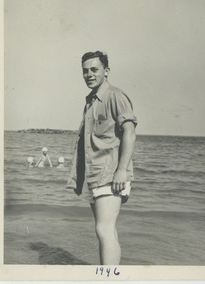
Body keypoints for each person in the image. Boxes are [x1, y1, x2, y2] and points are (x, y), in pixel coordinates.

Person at [67, 51, 137, 265]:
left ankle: (107, 277)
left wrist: (122, 170)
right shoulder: (90, 101)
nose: (89, 74)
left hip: (111, 172)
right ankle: (110, 276)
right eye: (85, 71)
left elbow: (130, 132)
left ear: (106, 71)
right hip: (95, 174)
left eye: (94, 70)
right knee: (106, 230)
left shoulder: (115, 96)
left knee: (103, 229)